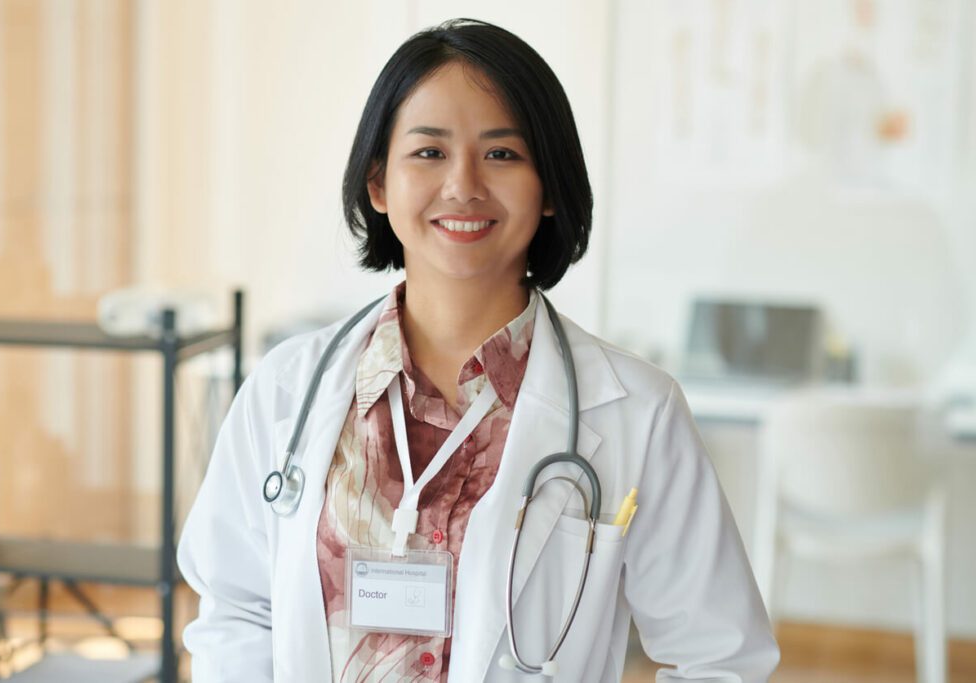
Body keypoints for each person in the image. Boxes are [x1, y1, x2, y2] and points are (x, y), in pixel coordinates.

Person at [177, 18, 779, 683]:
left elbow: (722, 657)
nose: (463, 184)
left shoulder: (637, 410)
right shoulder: (287, 388)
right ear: (378, 184)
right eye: (429, 153)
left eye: (502, 154)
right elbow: (236, 608)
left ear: (549, 187)